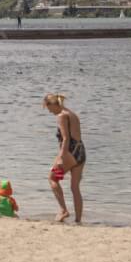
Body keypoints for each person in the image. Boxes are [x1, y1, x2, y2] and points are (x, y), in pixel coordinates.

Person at [45, 93, 85, 224]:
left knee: (52, 178)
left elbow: (66, 138)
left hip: (70, 152)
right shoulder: (72, 113)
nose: (49, 111)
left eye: (48, 107)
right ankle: (78, 221)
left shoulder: (61, 116)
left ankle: (63, 210)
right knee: (75, 188)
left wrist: (61, 158)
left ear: (52, 104)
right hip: (80, 152)